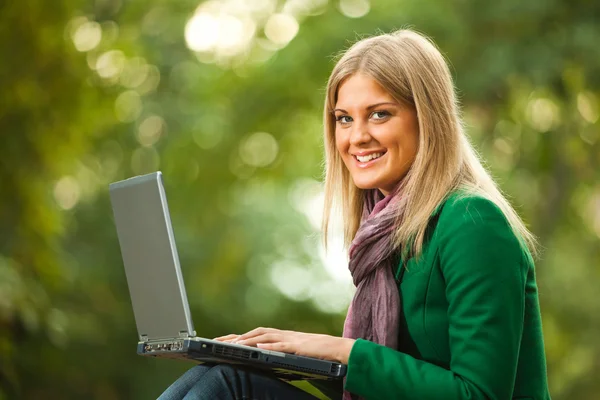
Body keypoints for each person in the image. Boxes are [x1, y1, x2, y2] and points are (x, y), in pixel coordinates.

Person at [159, 29, 551, 400]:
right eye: (344, 118)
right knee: (220, 374)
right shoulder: (385, 233)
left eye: (379, 114)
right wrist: (290, 358)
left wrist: (342, 351)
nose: (356, 136)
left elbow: (477, 394)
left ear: (428, 119)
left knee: (229, 386)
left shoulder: (472, 222)